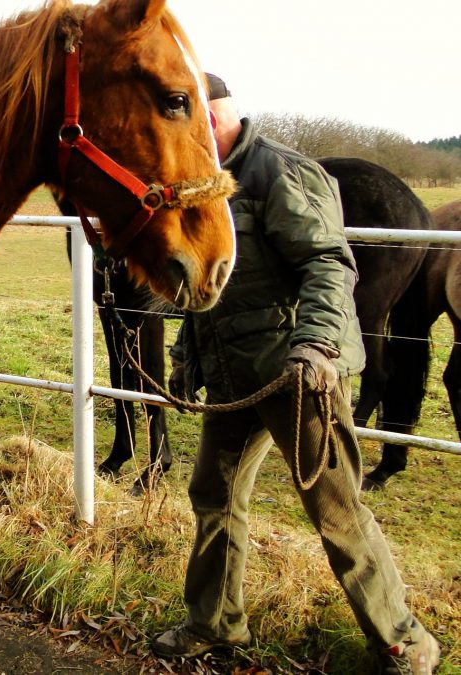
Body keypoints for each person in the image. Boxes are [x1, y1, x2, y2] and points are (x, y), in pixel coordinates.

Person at [151, 73, 441, 674]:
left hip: (296, 377)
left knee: (335, 510)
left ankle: (405, 643)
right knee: (214, 496)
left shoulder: (279, 171)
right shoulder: (203, 181)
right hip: (235, 377)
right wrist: (185, 360)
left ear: (211, 115)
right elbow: (207, 284)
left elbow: (329, 264)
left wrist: (314, 350)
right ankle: (215, 623)